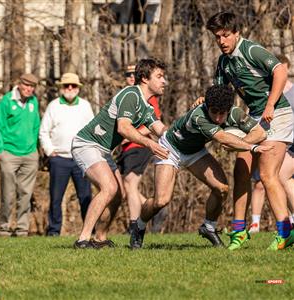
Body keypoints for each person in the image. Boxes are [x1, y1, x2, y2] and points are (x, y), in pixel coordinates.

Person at [139, 85, 272, 248]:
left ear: (229, 109)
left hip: (195, 152)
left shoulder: (234, 113)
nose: (217, 118)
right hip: (171, 149)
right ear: (207, 107)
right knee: (161, 201)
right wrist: (251, 147)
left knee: (222, 188)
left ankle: (209, 227)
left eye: (221, 113)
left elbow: (260, 133)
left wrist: (244, 143)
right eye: (213, 112)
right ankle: (138, 226)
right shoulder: (198, 115)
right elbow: (223, 137)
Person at [207, 11, 294, 250]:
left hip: (278, 115)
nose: (221, 41)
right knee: (241, 170)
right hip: (254, 119)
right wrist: (205, 104)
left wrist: (269, 104)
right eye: (217, 37)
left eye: (225, 35)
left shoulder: (251, 50)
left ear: (236, 33)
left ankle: (285, 231)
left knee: (267, 175)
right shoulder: (223, 62)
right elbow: (220, 94)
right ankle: (239, 230)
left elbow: (280, 71)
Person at [71, 58, 169, 249]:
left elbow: (162, 130)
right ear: (144, 78)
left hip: (103, 149)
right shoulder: (131, 94)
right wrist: (149, 143)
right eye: (159, 76)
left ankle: (100, 238)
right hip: (87, 144)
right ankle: (83, 239)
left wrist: (190, 131)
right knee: (109, 188)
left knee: (118, 195)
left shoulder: (147, 106)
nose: (164, 81)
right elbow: (124, 128)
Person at [116, 64, 167, 248]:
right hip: (127, 147)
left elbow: (153, 124)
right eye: (128, 74)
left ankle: (134, 225)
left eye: (133, 74)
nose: (130, 77)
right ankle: (151, 207)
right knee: (122, 187)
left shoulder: (147, 97)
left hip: (139, 145)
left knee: (130, 183)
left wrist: (131, 134)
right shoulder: (129, 95)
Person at [39, 73, 94, 236]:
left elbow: (92, 130)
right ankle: (54, 231)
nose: (70, 88)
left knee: (85, 197)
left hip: (81, 159)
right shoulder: (53, 106)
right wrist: (50, 152)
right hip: (59, 158)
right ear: (61, 88)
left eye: (73, 86)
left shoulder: (85, 106)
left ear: (78, 89)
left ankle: (90, 230)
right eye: (66, 86)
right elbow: (43, 131)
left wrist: (89, 152)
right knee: (56, 198)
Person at [249, 54, 294, 232]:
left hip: (291, 142)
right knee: (275, 177)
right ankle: (257, 223)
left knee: (279, 176)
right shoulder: (267, 93)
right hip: (278, 141)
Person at [0, 73, 40, 237]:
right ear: (19, 84)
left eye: (32, 87)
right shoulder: (7, 101)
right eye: (26, 85)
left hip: (30, 154)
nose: (29, 89)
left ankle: (22, 229)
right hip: (9, 153)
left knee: (26, 194)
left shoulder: (34, 101)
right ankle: (4, 228)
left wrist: (34, 148)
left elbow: (36, 126)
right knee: (8, 194)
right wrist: (0, 150)